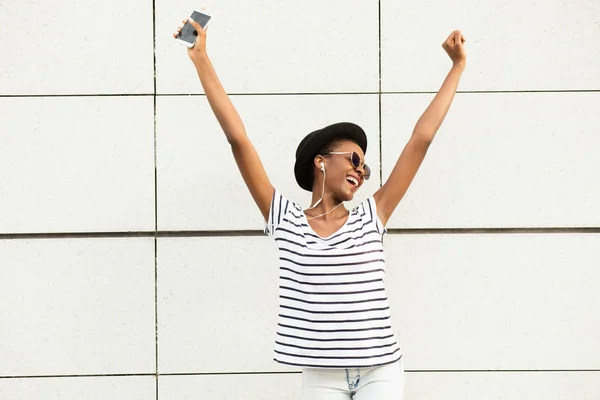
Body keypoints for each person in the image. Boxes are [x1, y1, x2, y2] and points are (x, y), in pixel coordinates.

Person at [175, 17, 466, 400]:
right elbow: (238, 139)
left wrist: (457, 66)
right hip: (320, 375)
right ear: (321, 161)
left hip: (381, 370)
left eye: (364, 168)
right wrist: (201, 58)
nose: (361, 172)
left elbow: (421, 138)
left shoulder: (370, 217)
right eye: (354, 160)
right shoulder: (285, 219)